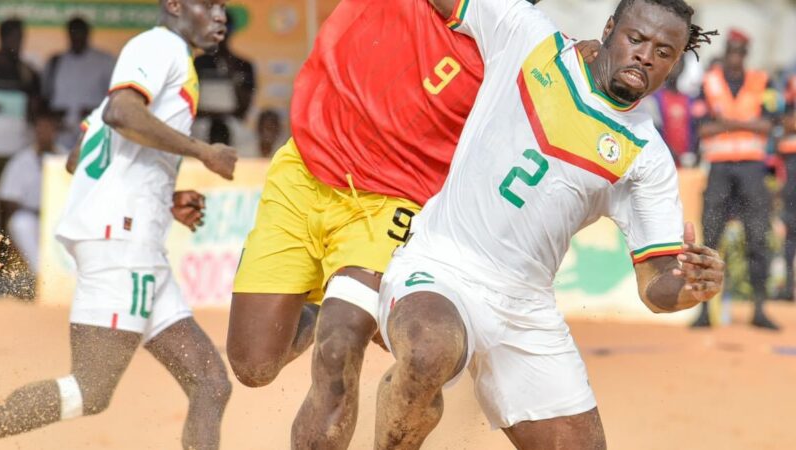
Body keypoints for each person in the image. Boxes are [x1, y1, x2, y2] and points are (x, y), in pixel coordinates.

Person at [227, 1, 600, 448]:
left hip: (393, 202)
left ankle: (354, 310)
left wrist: (588, 69)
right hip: (304, 169)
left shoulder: (522, 56)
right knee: (253, 365)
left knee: (339, 345)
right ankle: (331, 306)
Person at [375, 0, 723, 448]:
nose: (645, 56)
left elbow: (655, 287)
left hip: (526, 310)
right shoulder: (530, 38)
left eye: (663, 52)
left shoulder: (647, 156)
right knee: (430, 351)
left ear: (674, 64)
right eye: (635, 39)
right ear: (610, 28)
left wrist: (693, 288)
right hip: (442, 265)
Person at [0, 1, 238, 448]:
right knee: (90, 390)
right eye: (211, 3)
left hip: (133, 240)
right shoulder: (159, 46)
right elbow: (120, 114)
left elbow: (78, 157)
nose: (221, 15)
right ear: (175, 5)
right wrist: (203, 152)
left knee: (211, 382)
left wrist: (162, 199)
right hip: (122, 244)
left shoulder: (158, 55)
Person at [691, 29, 779, 330]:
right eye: (732, 50)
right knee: (710, 240)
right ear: (726, 50)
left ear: (746, 53)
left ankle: (759, 309)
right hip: (719, 170)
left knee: (758, 237)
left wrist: (726, 123)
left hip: (752, 171)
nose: (735, 56)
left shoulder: (760, 81)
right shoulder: (709, 82)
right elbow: (702, 130)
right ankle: (703, 311)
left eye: (741, 51)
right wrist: (746, 124)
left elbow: (769, 125)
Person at [0, 106, 66, 275]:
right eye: (40, 128)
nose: (44, 132)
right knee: (20, 223)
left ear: (55, 131)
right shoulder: (21, 160)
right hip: (31, 216)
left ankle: (64, 280)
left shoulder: (66, 157)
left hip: (60, 218)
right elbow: (8, 199)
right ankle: (42, 276)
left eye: (48, 128)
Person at [42, 17, 116, 151]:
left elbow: (114, 98)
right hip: (61, 136)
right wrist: (55, 115)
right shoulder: (55, 62)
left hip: (93, 133)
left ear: (88, 34)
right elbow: (44, 99)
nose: (76, 37)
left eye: (80, 32)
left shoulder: (104, 61)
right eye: (73, 33)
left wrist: (94, 109)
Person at [0, 19, 41, 197]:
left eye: (21, 38)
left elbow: (36, 109)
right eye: (14, 37)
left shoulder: (29, 73)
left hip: (17, 146)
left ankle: (2, 227)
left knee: (8, 197)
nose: (18, 42)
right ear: (3, 37)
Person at [777, 72, 796, 301]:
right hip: (792, 163)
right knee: (791, 227)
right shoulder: (790, 82)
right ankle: (787, 287)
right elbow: (782, 120)